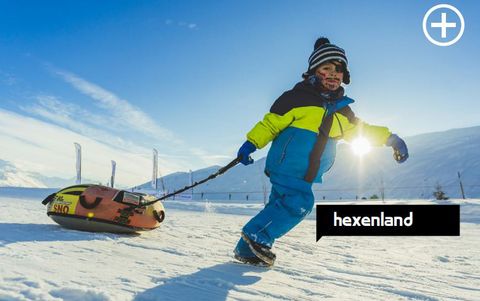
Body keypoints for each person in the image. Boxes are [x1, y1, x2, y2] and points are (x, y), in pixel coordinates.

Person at [233, 37, 408, 266]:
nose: (333, 74)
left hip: (307, 172)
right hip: (286, 165)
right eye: (327, 68)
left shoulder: (343, 112)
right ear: (313, 72)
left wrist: (389, 138)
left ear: (344, 76)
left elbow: (360, 132)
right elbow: (270, 124)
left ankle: (246, 250)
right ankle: (257, 235)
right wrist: (251, 143)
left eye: (339, 71)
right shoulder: (295, 99)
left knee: (279, 206)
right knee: (300, 203)